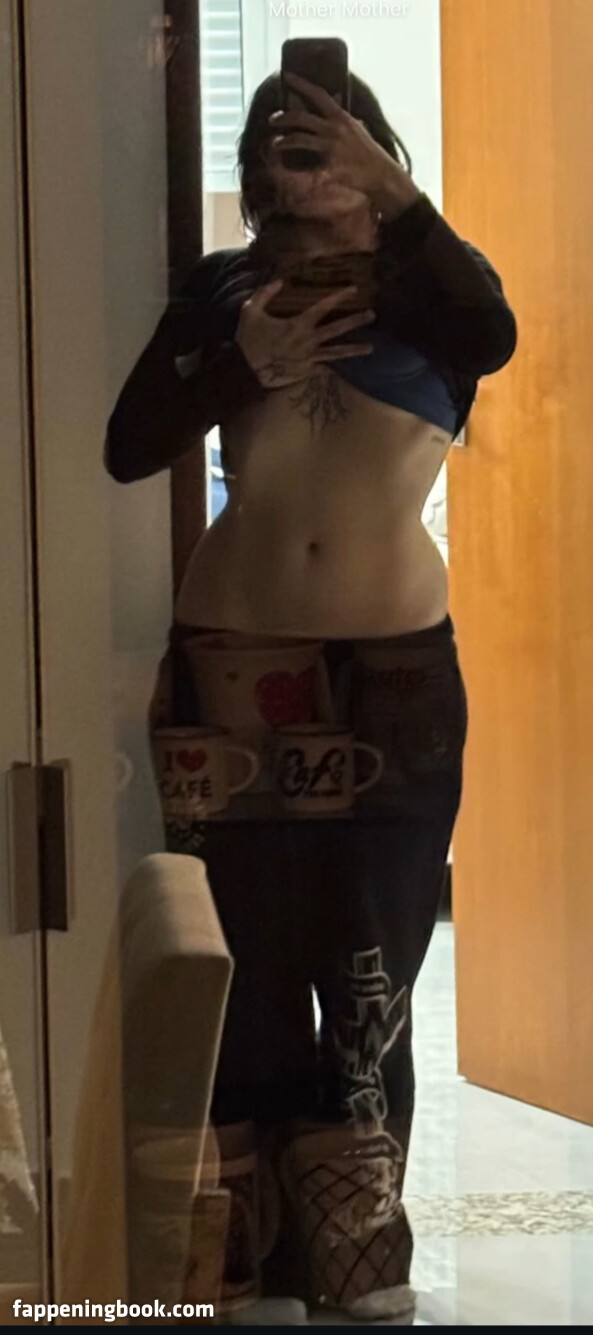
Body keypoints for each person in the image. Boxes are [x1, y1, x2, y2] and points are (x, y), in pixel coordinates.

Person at [106, 69, 516, 1322]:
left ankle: (353, 1254)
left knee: (371, 959)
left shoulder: (432, 290)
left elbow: (492, 337)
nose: (307, 169)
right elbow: (130, 445)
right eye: (282, 147)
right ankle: (250, 1259)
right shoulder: (223, 289)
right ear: (253, 172)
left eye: (331, 143)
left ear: (375, 151)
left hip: (392, 669)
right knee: (238, 961)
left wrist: (395, 198)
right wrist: (240, 360)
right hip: (228, 660)